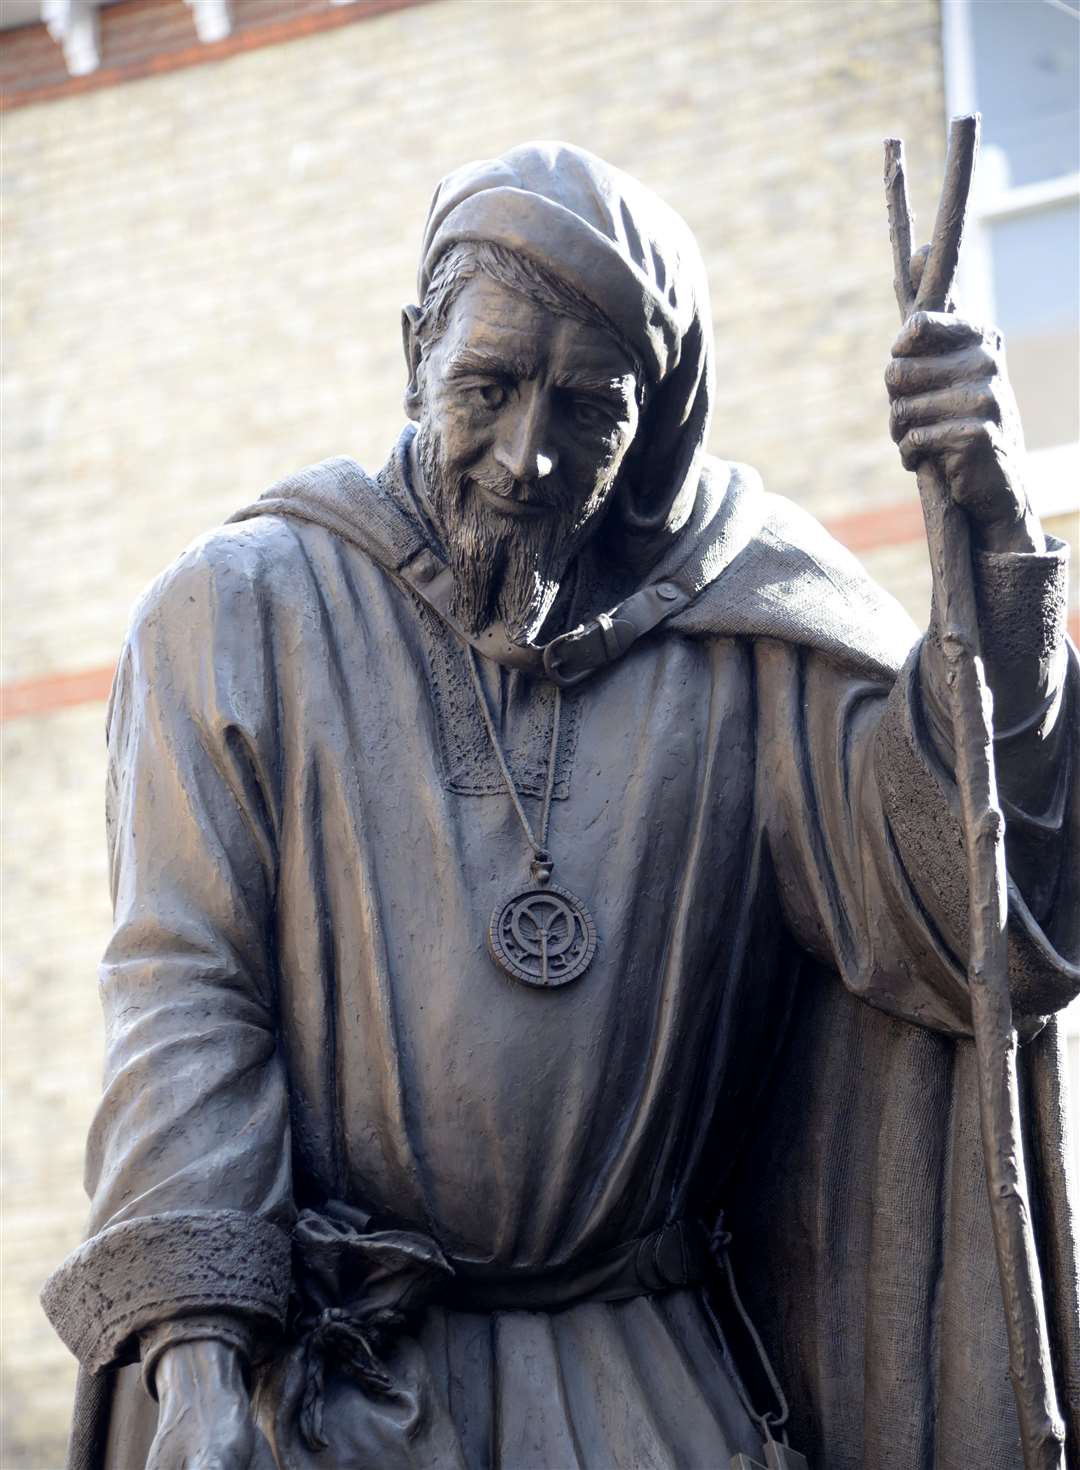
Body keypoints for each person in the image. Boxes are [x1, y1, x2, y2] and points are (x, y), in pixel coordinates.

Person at [44, 142, 1078, 1470]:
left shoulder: (748, 630)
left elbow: (983, 919)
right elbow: (184, 1002)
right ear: (415, 348)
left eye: (590, 409)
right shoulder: (239, 613)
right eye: (488, 385)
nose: (529, 455)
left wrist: (995, 542)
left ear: (657, 420)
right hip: (339, 1390)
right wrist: (198, 1364)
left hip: (650, 1385)